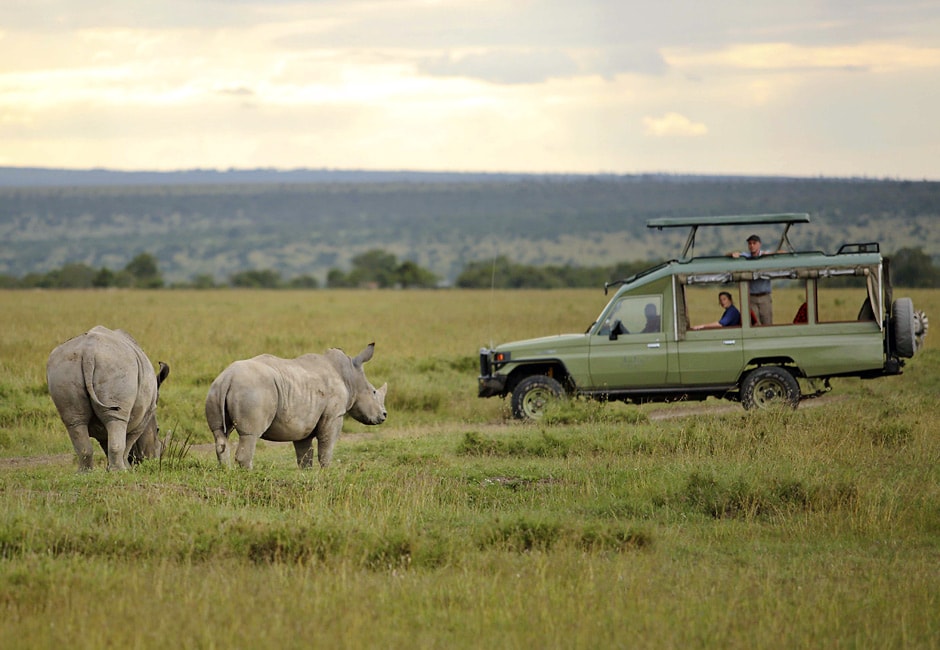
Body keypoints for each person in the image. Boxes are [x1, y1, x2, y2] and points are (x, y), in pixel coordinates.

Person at [728, 234, 775, 325]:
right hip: (751, 297)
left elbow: (781, 253)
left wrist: (770, 255)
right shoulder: (745, 256)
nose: (752, 245)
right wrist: (733, 254)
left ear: (759, 244)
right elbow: (728, 254)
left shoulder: (766, 255)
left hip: (764, 296)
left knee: (767, 321)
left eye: (754, 243)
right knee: (754, 323)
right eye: (750, 243)